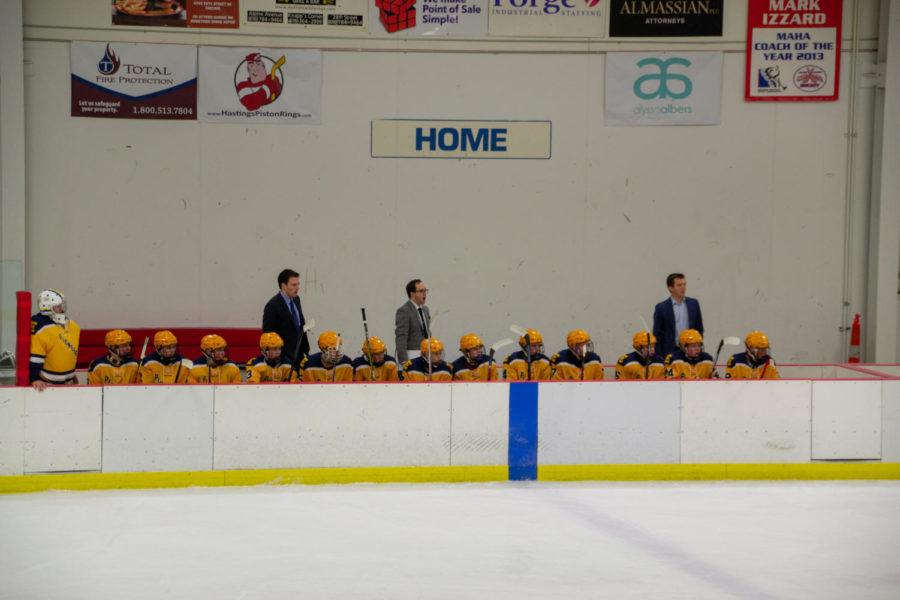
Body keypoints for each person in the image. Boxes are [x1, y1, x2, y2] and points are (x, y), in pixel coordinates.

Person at [29, 289, 80, 391]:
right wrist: (34, 378)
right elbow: (36, 356)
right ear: (46, 307)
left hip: (67, 382)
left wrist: (71, 373)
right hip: (47, 384)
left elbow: (67, 350)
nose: (61, 308)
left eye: (61, 305)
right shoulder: (41, 327)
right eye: (57, 306)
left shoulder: (67, 323)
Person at [262, 268, 309, 367]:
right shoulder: (272, 306)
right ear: (283, 286)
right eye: (294, 285)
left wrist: (305, 349)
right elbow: (267, 334)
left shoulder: (296, 299)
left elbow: (299, 323)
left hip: (299, 354)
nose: (298, 287)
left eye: (298, 284)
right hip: (283, 358)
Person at [653, 273, 704, 358]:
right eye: (679, 285)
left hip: (690, 351)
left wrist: (696, 346)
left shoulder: (693, 304)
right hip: (670, 352)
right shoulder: (661, 307)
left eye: (684, 284)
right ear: (671, 288)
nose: (683, 287)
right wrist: (659, 356)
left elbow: (699, 328)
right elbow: (657, 335)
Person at [395, 279, 430, 364]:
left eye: (425, 290)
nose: (424, 293)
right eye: (421, 291)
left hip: (425, 355)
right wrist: (404, 361)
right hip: (411, 354)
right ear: (412, 293)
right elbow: (401, 338)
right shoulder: (404, 311)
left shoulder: (425, 310)